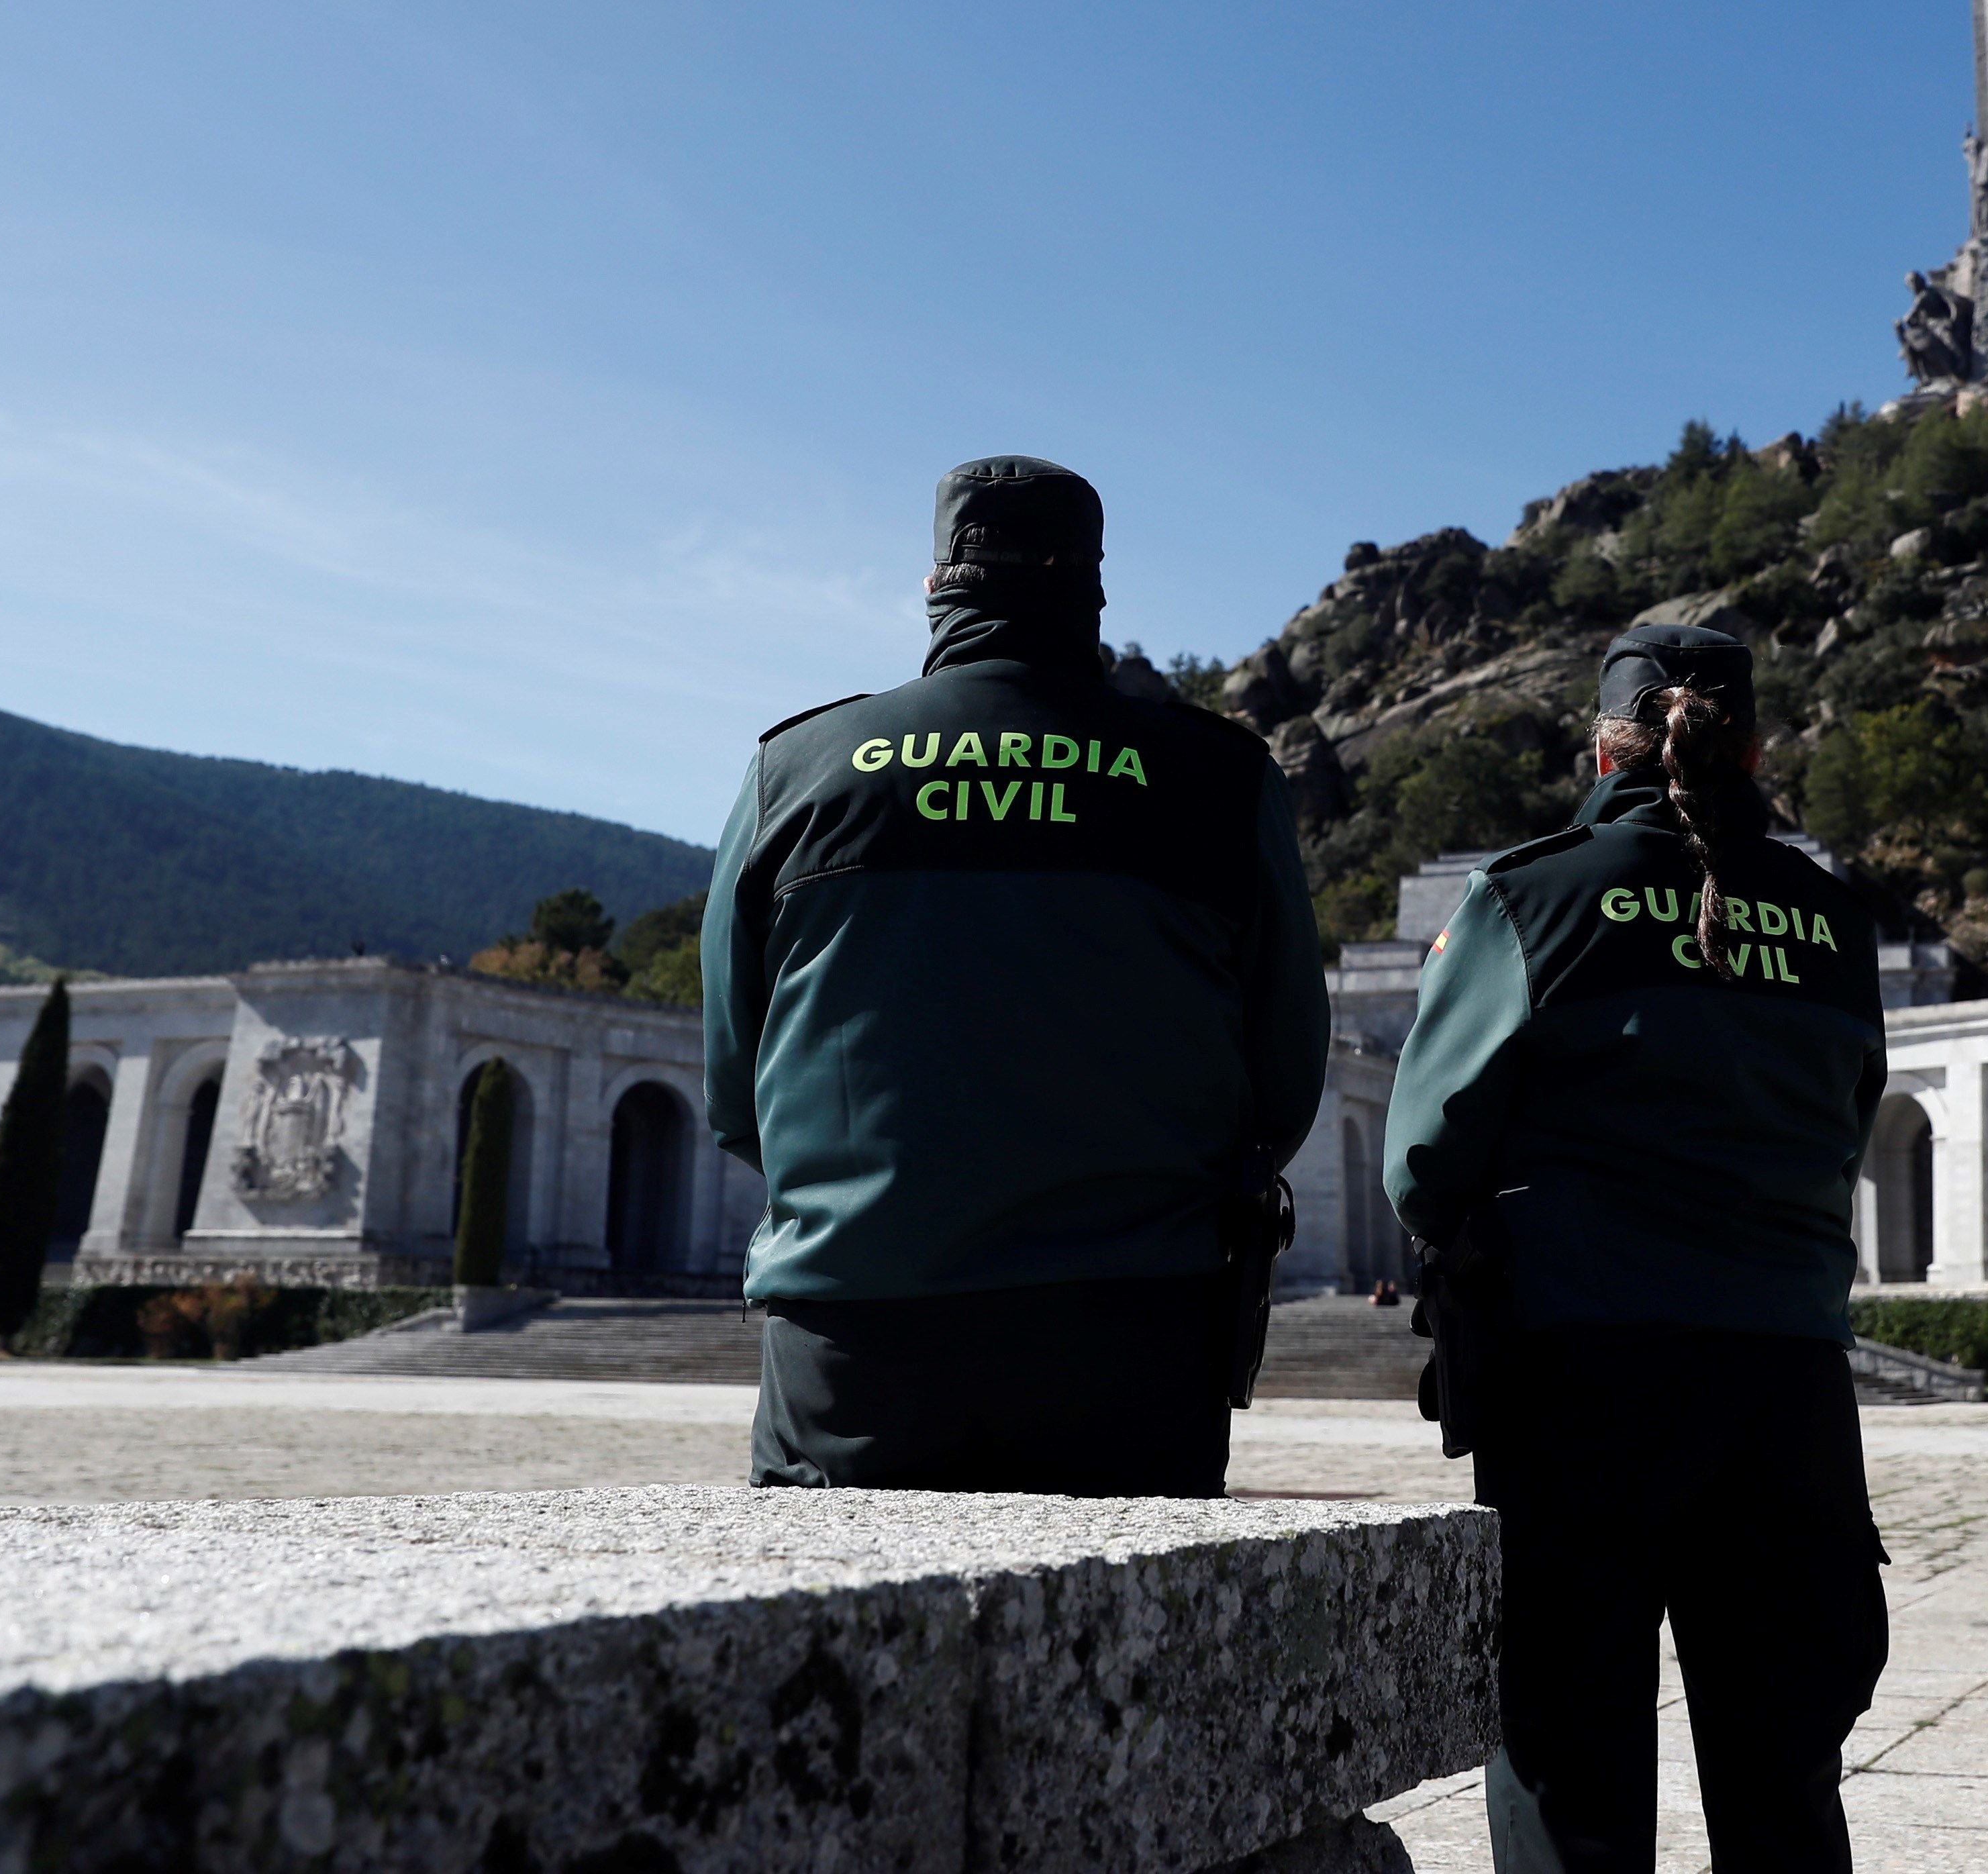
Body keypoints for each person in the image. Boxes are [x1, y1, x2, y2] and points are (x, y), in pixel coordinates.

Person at [703, 455, 1327, 1495]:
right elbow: (1285, 1076)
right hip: (1135, 1335)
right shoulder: (1218, 779)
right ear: (1091, 588)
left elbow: (733, 1085)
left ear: (937, 582)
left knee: (847, 1651)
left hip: (855, 1337)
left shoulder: (797, 768)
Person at [1387, 623, 1891, 1873]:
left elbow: (1418, 1157)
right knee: (1784, 1778)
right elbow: (1846, 1120)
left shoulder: (1530, 893)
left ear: (1602, 745)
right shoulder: (1832, 922)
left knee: (1570, 1772)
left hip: (1580, 1386)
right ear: (1755, 746)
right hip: (1789, 1395)